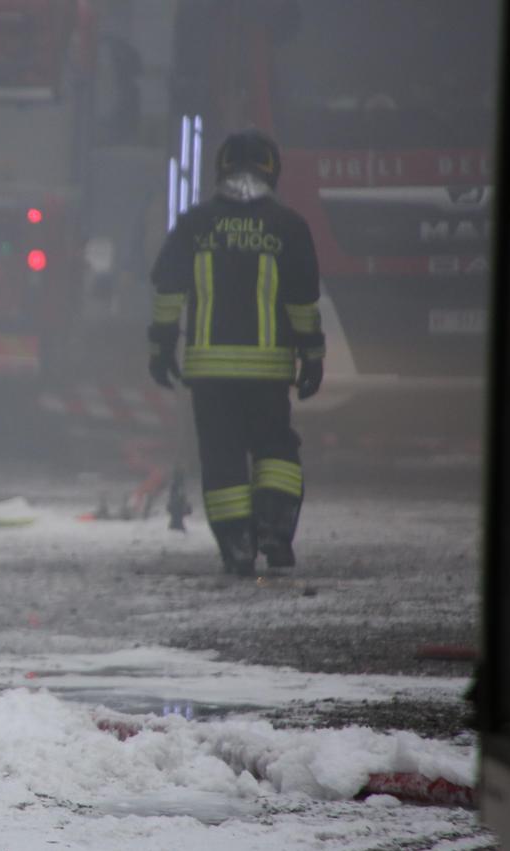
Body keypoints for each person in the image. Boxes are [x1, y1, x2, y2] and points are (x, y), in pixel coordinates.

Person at [147, 129, 324, 576]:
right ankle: (275, 530)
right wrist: (313, 355)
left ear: (220, 168)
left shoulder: (193, 224)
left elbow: (167, 291)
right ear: (273, 169)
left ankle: (237, 548)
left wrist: (161, 348)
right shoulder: (288, 227)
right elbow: (302, 300)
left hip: (210, 374)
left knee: (222, 457)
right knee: (275, 448)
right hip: (268, 373)